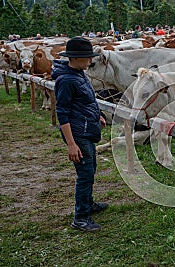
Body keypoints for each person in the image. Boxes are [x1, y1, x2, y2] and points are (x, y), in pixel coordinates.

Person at [52, 37, 108, 232]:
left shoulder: (78, 74)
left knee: (90, 169)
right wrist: (71, 144)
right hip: (78, 134)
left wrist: (98, 115)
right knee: (85, 174)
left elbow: (87, 101)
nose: (90, 61)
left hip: (86, 129)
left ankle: (88, 204)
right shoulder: (66, 80)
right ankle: (81, 217)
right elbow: (62, 113)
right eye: (87, 57)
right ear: (75, 58)